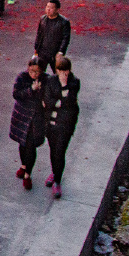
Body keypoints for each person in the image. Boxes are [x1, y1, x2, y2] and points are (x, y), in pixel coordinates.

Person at [42, 56, 81, 200]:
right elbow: (48, 100)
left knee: (60, 151)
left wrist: (64, 87)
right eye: (61, 71)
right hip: (51, 123)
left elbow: (70, 103)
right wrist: (61, 99)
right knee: (53, 151)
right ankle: (55, 171)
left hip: (65, 124)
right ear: (57, 70)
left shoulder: (74, 82)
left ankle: (57, 180)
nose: (64, 74)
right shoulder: (51, 81)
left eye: (66, 71)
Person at [9, 59, 47, 192]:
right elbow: (16, 94)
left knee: (30, 145)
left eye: (37, 72)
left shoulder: (46, 80)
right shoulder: (22, 77)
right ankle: (24, 165)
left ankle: (27, 174)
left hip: (36, 118)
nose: (34, 74)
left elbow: (50, 95)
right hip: (22, 116)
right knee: (22, 143)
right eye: (32, 71)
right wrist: (31, 89)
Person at [33, 0, 71, 70]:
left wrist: (61, 52)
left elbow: (65, 38)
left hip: (55, 53)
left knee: (58, 72)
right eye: (47, 7)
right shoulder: (43, 19)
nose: (48, 9)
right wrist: (36, 47)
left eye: (51, 8)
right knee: (39, 72)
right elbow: (39, 34)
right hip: (42, 52)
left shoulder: (64, 22)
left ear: (57, 10)